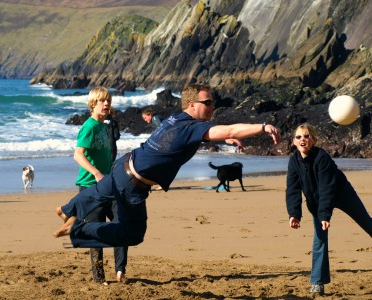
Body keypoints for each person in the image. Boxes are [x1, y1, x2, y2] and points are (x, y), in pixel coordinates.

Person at [53, 84, 281, 268]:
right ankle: (76, 229)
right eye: (208, 102)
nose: (213, 106)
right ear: (192, 105)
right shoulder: (191, 127)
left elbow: (187, 133)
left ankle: (68, 208)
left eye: (213, 102)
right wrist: (262, 127)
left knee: (99, 193)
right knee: (132, 234)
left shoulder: (176, 119)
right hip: (134, 183)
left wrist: (223, 139)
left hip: (124, 165)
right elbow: (229, 129)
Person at [285, 123, 372, 295]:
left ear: (313, 139)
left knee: (367, 223)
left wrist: (325, 216)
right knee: (320, 238)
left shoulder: (322, 157)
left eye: (306, 136)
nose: (302, 139)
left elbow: (326, 189)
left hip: (342, 194)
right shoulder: (294, 161)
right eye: (298, 137)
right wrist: (294, 214)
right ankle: (317, 282)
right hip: (316, 202)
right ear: (294, 141)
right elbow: (292, 189)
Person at [55, 87, 127, 285]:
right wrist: (96, 173)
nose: (106, 104)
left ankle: (120, 270)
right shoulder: (89, 127)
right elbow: (78, 154)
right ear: (93, 104)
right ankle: (99, 278)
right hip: (90, 186)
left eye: (108, 101)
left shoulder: (104, 127)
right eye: (102, 101)